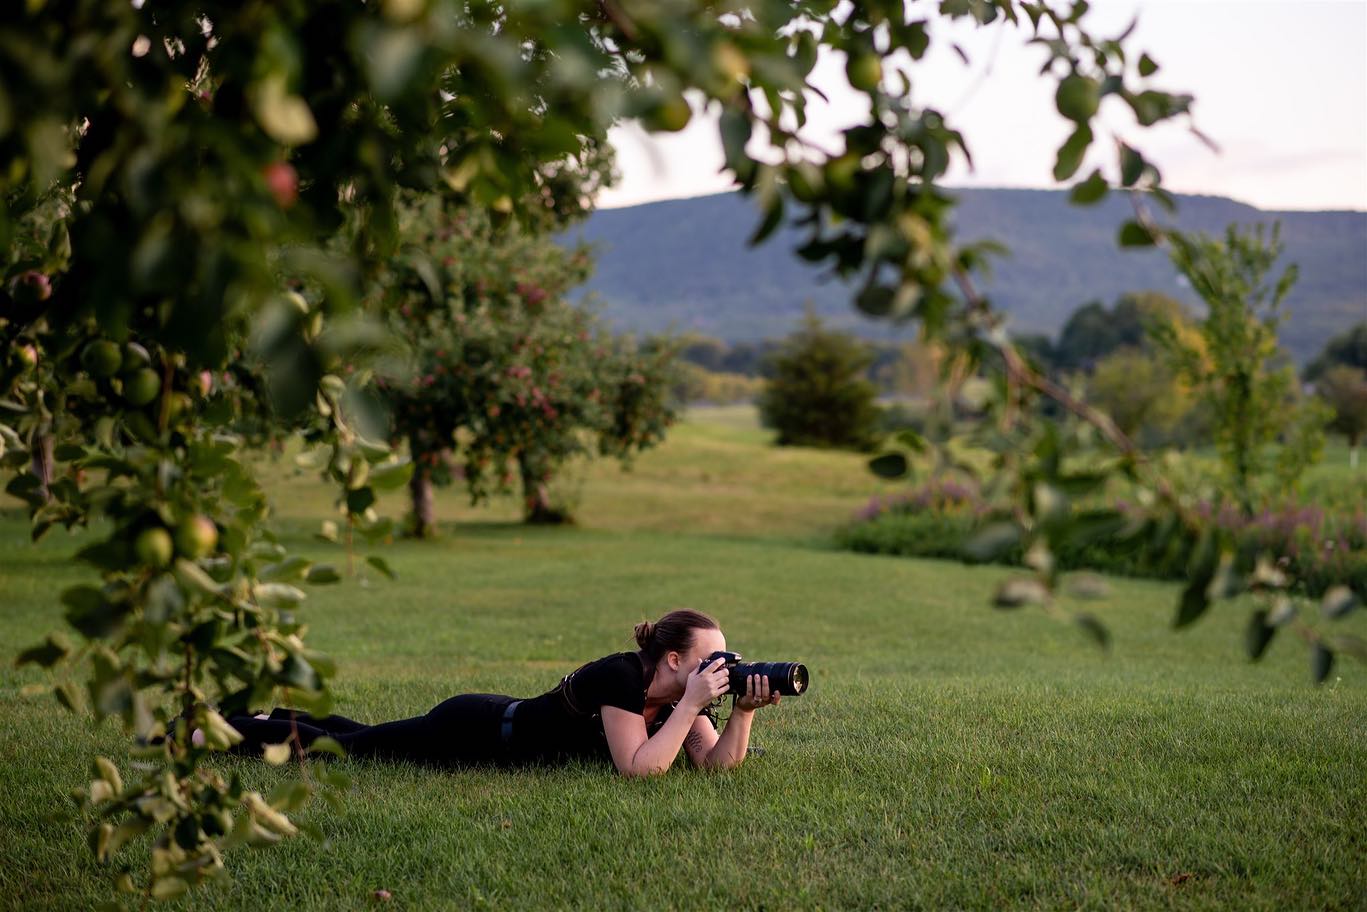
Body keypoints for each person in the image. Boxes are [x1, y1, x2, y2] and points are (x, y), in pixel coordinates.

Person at [218, 609, 782, 776]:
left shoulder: (688, 700)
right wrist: (688, 707)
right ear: (676, 659)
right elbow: (639, 769)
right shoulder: (622, 677)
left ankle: (269, 714)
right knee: (351, 750)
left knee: (362, 735)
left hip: (493, 729)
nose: (723, 666)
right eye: (713, 657)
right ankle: (218, 730)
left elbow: (713, 767)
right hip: (475, 732)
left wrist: (743, 714)